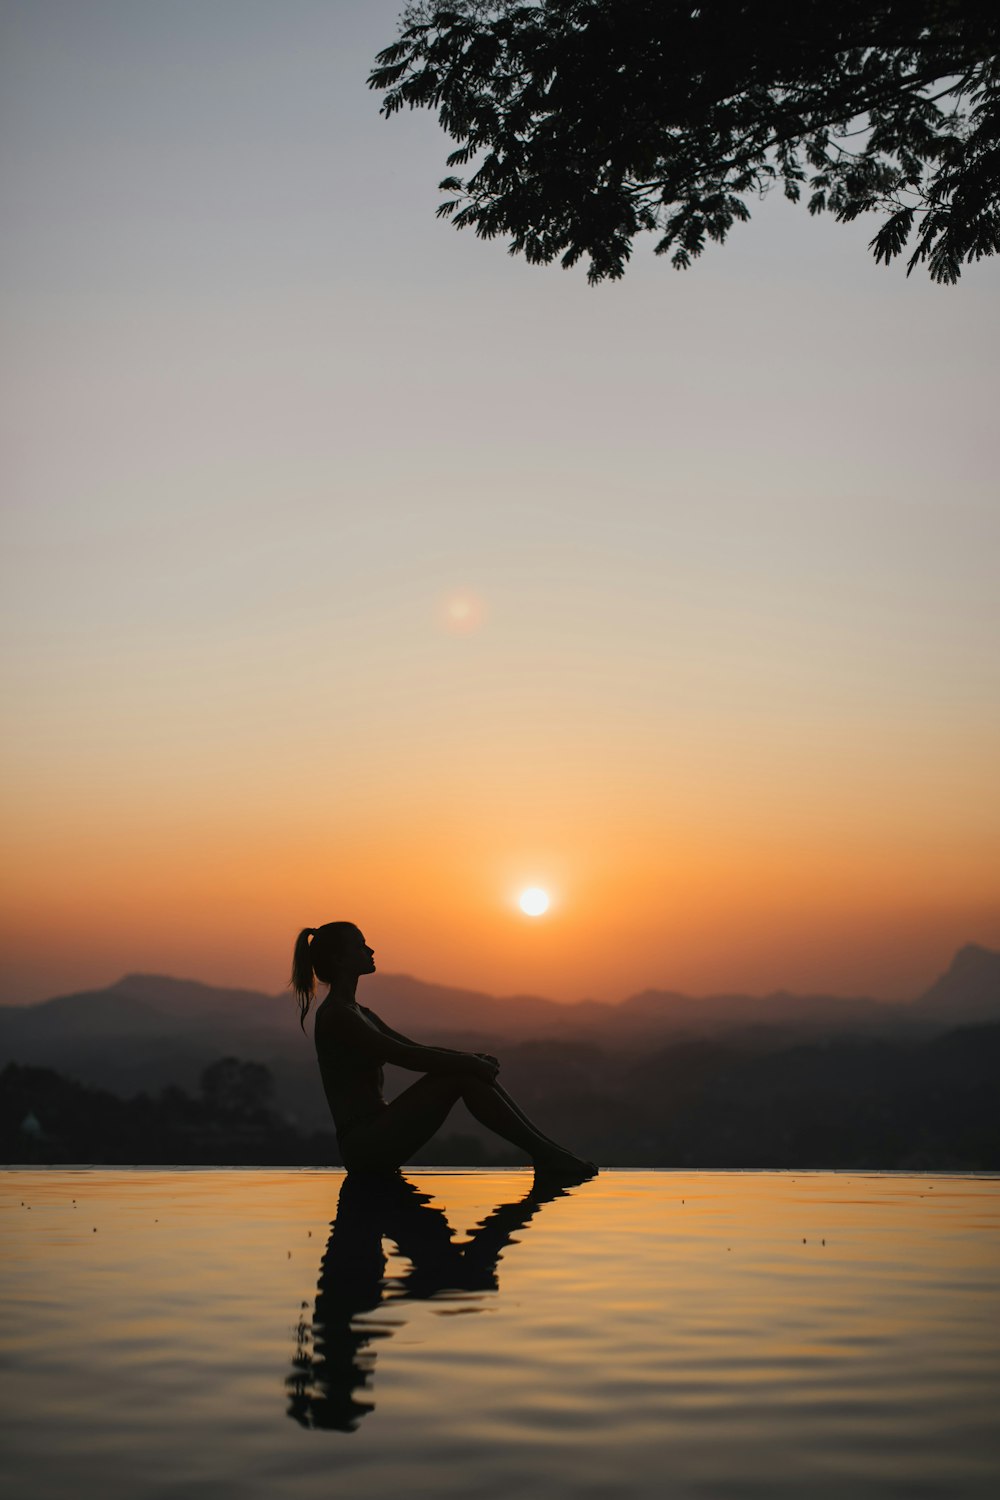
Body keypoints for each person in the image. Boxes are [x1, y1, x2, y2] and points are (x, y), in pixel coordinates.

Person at [290, 921, 595, 1178]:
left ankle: (548, 1153)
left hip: (378, 1133)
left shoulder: (358, 1012)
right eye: (360, 946)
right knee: (460, 1076)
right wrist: (467, 1063)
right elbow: (406, 1057)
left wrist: (470, 1059)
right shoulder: (339, 1016)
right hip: (365, 1144)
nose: (370, 951)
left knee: (465, 1071)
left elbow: (412, 1047)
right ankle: (546, 1155)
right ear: (340, 959)